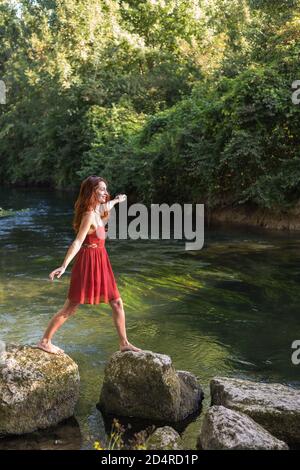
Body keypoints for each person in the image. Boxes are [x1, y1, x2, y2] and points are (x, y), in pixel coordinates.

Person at [36, 175, 141, 355]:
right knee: (71, 307)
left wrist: (117, 200)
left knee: (116, 301)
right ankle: (45, 341)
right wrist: (64, 266)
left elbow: (107, 206)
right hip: (87, 262)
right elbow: (77, 242)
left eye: (106, 189)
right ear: (92, 191)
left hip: (101, 260)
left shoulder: (98, 210)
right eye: (102, 189)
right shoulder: (89, 215)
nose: (106, 193)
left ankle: (124, 343)